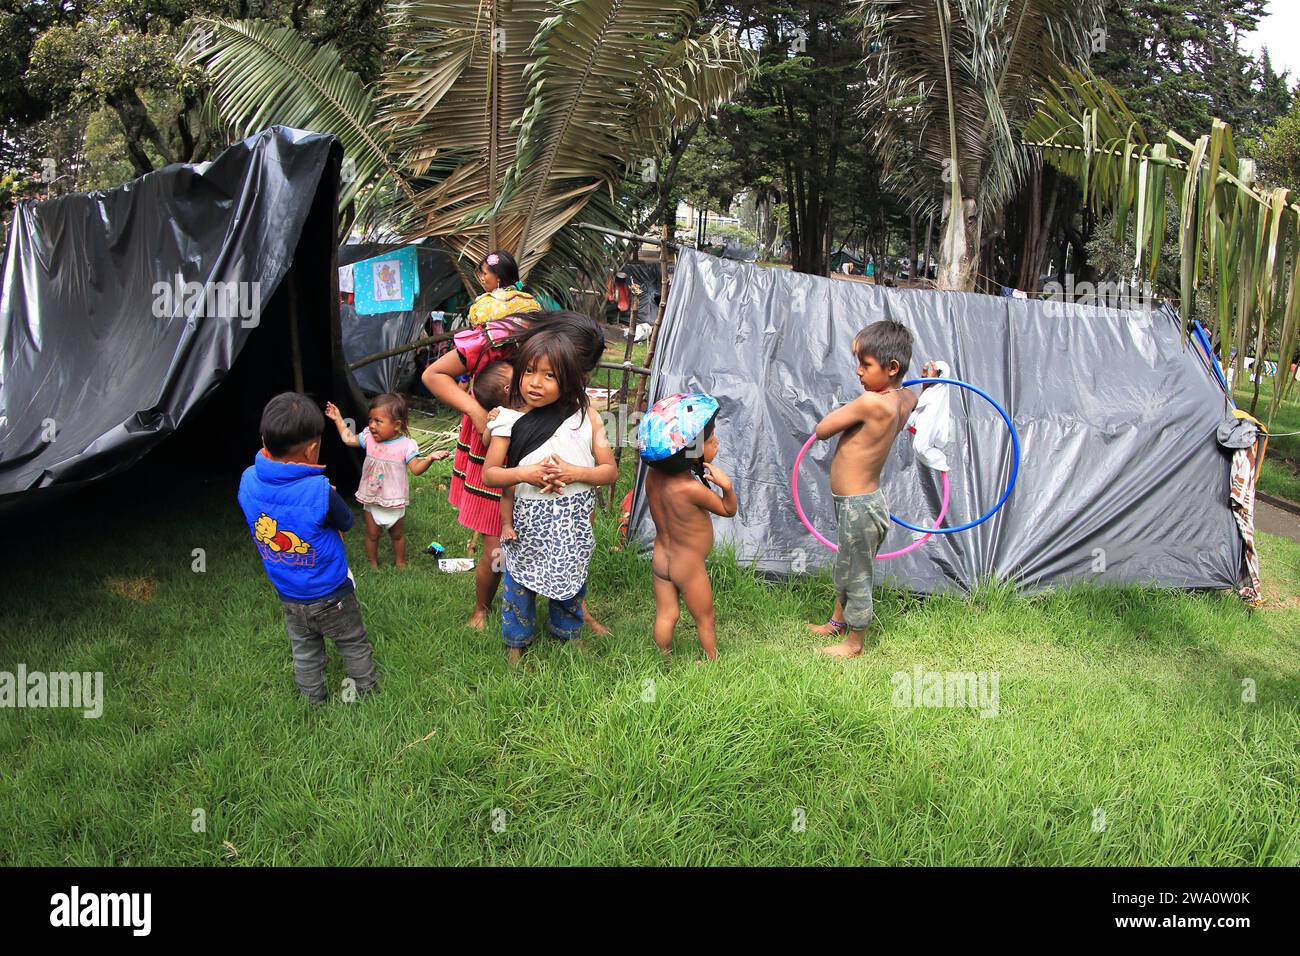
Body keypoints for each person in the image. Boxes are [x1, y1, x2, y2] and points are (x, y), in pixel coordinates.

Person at [420, 310, 606, 629]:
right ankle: (481, 609)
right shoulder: (496, 337)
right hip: (494, 440)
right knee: (497, 543)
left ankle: (576, 609)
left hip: (544, 445)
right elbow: (433, 376)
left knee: (568, 539)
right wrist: (480, 415)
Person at [481, 330, 618, 663]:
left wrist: (575, 472)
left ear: (569, 380)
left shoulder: (589, 419)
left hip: (571, 523)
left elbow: (609, 471)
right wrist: (526, 473)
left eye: (549, 375)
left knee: (570, 578)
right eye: (528, 371)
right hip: (528, 521)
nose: (535, 382)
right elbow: (490, 473)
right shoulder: (508, 421)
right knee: (519, 585)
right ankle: (516, 642)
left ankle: (568, 633)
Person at [236, 392, 377, 704]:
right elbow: (346, 522)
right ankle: (367, 694)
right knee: (352, 642)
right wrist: (329, 496)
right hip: (332, 592)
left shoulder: (247, 480)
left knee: (305, 649)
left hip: (288, 592)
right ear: (313, 448)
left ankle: (312, 699)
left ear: (264, 439)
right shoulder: (319, 490)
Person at [806, 321, 919, 657]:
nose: (858, 371)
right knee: (849, 564)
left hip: (858, 507)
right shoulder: (902, 399)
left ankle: (855, 644)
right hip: (865, 504)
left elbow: (823, 429)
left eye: (866, 365)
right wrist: (926, 379)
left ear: (892, 368)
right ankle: (837, 622)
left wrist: (851, 406)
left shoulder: (871, 403)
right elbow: (914, 394)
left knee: (856, 574)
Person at [638, 393, 737, 662]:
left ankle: (663, 657)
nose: (716, 442)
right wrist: (726, 487)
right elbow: (729, 510)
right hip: (688, 565)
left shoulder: (653, 477)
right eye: (711, 440)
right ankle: (711, 659)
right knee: (704, 617)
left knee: (666, 614)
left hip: (662, 558)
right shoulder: (691, 489)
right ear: (691, 450)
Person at [324, 393, 446, 569]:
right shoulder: (368, 438)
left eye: (378, 421)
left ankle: (400, 563)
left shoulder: (406, 445)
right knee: (372, 534)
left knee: (397, 535)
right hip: (372, 498)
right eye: (370, 420)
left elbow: (416, 469)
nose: (372, 425)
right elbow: (348, 439)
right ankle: (373, 564)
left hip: (394, 500)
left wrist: (430, 459)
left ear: (396, 425)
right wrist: (338, 418)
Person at [468, 250, 542, 327]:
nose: (482, 278)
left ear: (498, 277)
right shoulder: (531, 301)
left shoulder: (484, 305)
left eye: (484, 273)